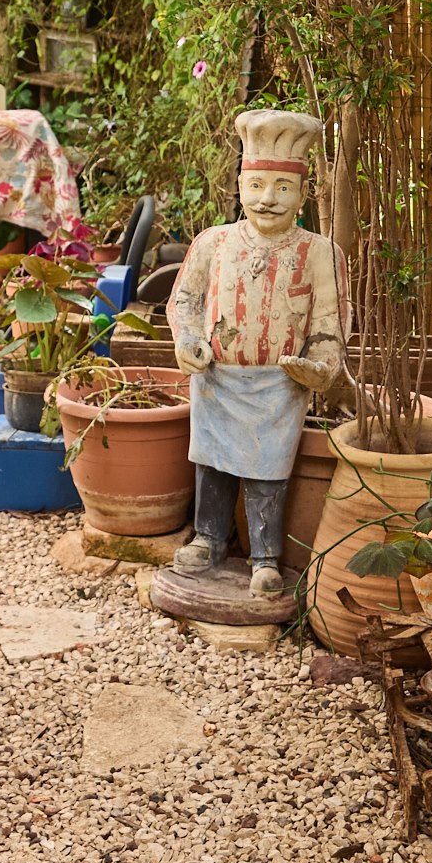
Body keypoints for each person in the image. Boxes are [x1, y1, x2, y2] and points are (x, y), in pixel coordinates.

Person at [168, 109, 346, 597]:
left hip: (279, 384)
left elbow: (329, 323)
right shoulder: (213, 243)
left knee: (269, 469)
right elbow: (184, 300)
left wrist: (321, 367)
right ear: (240, 187)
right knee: (212, 463)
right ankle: (209, 538)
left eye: (282, 188)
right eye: (257, 185)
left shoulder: (321, 253)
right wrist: (188, 340)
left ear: (303, 194)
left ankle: (265, 558)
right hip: (217, 378)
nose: (268, 198)